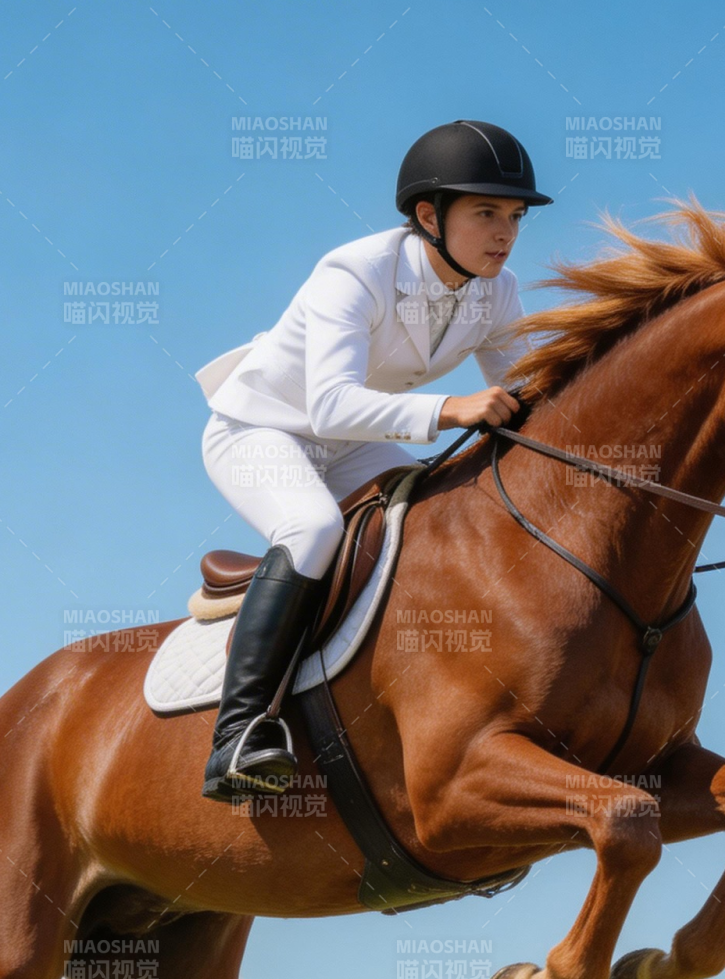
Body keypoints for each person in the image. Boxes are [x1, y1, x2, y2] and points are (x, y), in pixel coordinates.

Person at [195, 120, 552, 800]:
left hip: (354, 441)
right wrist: (451, 409)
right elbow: (328, 405)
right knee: (313, 529)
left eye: (514, 216)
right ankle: (238, 734)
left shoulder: (497, 290)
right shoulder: (354, 272)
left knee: (434, 519)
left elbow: (528, 397)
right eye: (485, 213)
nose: (505, 232)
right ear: (429, 215)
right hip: (261, 430)